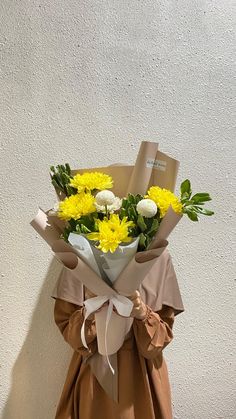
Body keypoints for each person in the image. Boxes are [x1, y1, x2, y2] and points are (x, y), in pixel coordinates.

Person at [52, 249, 185, 419]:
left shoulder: (157, 255)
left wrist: (142, 312)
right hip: (94, 375)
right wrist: (91, 310)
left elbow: (158, 341)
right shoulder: (81, 252)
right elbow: (72, 335)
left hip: (142, 380)